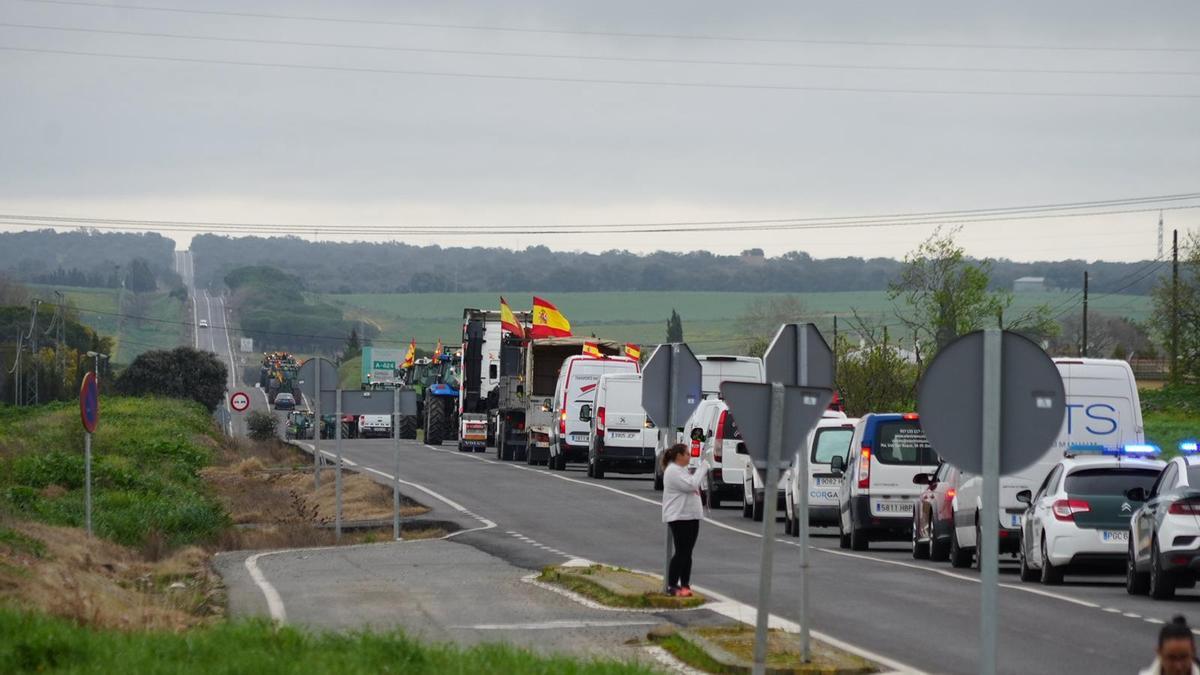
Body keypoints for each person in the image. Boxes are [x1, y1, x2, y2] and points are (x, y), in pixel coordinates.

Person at [661, 443, 708, 597]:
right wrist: (703, 467)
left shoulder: (682, 470)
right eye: (687, 454)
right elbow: (692, 485)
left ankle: (685, 584)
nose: (689, 456)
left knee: (688, 553)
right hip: (679, 517)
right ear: (679, 456)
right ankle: (672, 585)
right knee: (681, 552)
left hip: (691, 516)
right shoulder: (673, 471)